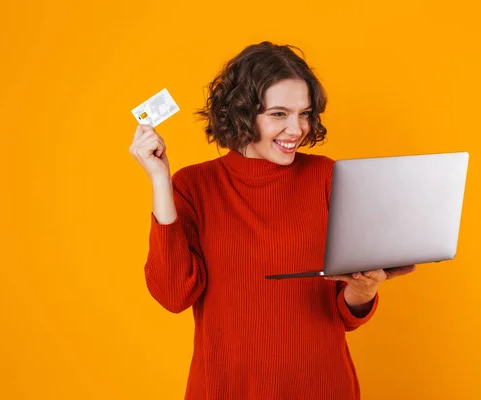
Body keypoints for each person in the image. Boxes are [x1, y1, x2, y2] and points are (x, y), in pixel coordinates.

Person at [129, 41, 416, 400]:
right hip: (227, 389)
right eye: (279, 114)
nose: (296, 130)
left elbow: (344, 315)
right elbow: (173, 294)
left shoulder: (327, 177)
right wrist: (160, 180)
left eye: (305, 114)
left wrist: (363, 290)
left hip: (321, 387)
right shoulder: (193, 186)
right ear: (241, 113)